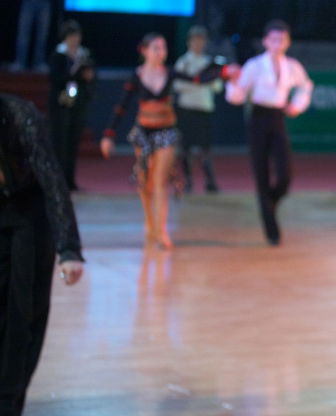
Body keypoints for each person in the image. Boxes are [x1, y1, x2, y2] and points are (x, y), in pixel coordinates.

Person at [101, 33, 231, 249]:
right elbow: (121, 107)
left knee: (161, 180)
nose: (160, 52)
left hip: (166, 132)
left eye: (163, 47)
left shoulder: (170, 73)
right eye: (155, 47)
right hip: (143, 132)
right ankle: (149, 220)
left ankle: (161, 230)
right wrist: (108, 134)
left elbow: (197, 80)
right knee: (145, 180)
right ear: (144, 50)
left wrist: (221, 70)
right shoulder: (136, 76)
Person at [0, 93, 85, 416]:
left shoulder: (22, 117)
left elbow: (53, 183)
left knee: (24, 313)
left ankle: (8, 399)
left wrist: (69, 248)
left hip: (30, 216)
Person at [225, 20, 314, 246]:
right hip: (257, 118)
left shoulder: (292, 66)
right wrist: (232, 82)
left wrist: (296, 106)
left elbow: (305, 86)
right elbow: (237, 96)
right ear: (265, 41)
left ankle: (269, 203)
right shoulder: (254, 65)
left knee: (285, 175)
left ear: (288, 42)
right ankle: (271, 227)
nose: (277, 44)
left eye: (281, 39)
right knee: (261, 173)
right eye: (273, 39)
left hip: (277, 118)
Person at [173, 25, 222, 193]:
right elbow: (177, 85)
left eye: (201, 40)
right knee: (185, 147)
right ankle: (188, 181)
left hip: (204, 109)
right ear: (189, 42)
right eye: (195, 40)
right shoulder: (183, 62)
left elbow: (217, 86)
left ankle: (210, 181)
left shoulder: (209, 62)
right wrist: (197, 81)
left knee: (206, 147)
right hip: (186, 109)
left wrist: (206, 79)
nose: (198, 44)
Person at [47, 20, 95, 191]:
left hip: (78, 103)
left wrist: (88, 77)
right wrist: (73, 74)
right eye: (71, 36)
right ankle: (58, 182)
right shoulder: (58, 55)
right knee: (60, 143)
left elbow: (91, 77)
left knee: (73, 142)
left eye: (77, 36)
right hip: (61, 103)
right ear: (65, 37)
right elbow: (55, 78)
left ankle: (70, 180)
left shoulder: (84, 55)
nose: (74, 39)